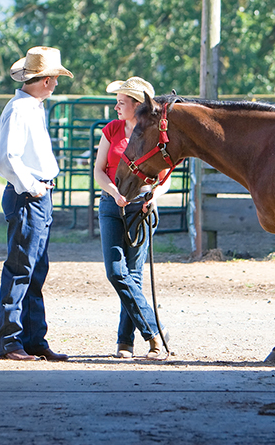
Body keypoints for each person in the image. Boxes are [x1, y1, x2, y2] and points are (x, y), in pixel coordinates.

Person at [0, 46, 73, 362]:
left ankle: (31, 338)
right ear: (48, 80)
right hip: (30, 196)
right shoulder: (21, 110)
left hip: (36, 196)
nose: (55, 85)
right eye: (54, 79)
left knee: (34, 268)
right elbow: (5, 158)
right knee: (21, 268)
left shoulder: (29, 107)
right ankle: (11, 341)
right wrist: (31, 186)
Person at [94, 76, 171, 359]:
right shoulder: (112, 130)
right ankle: (153, 333)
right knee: (116, 271)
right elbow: (99, 170)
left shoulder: (150, 133)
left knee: (133, 276)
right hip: (111, 205)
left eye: (121, 102)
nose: (116, 107)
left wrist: (154, 197)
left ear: (137, 105)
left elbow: (165, 179)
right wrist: (114, 192)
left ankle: (124, 342)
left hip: (141, 208)